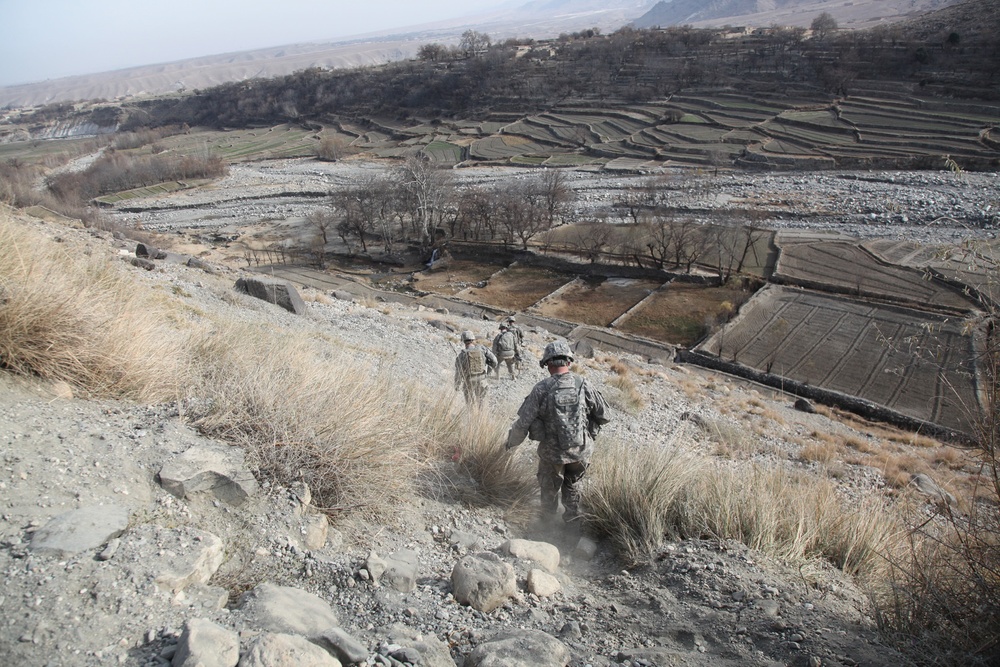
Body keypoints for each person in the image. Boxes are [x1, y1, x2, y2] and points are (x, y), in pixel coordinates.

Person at [505, 340, 611, 529]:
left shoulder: (541, 389)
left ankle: (547, 528)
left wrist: (510, 443)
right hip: (580, 451)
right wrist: (590, 433)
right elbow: (604, 415)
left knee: (548, 490)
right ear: (569, 362)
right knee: (573, 486)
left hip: (552, 455)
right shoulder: (583, 383)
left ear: (548, 365)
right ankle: (572, 526)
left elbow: (523, 424)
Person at [454, 330, 497, 404]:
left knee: (469, 402)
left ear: (463, 341)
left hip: (469, 381)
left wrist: (457, 385)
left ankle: (471, 414)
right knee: (481, 401)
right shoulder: (482, 349)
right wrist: (488, 372)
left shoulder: (462, 354)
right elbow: (494, 361)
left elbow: (459, 372)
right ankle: (480, 414)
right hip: (482, 379)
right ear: (473, 339)